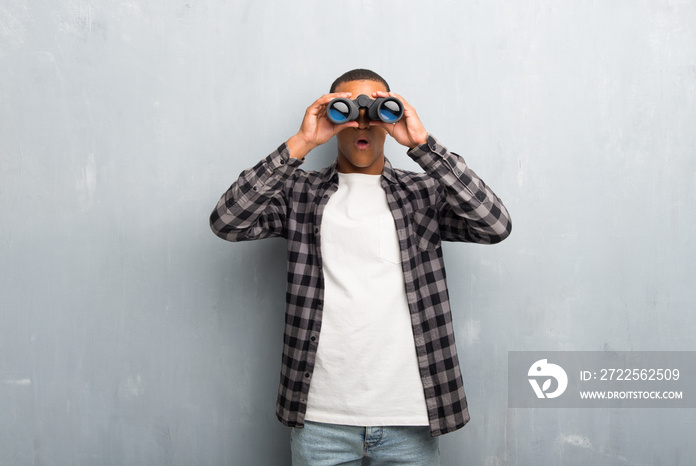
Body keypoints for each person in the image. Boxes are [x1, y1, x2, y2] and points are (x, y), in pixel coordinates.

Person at [210, 69, 512, 465]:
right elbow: (227, 221)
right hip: (320, 419)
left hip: (410, 416)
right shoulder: (299, 193)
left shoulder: (422, 194)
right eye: (349, 110)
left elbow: (495, 225)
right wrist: (301, 142)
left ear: (391, 118)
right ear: (333, 117)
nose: (363, 122)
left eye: (376, 109)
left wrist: (423, 145)